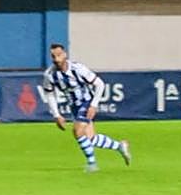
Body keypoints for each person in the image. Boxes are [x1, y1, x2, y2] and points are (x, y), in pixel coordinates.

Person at [41, 44, 131, 172]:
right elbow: (49, 94)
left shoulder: (78, 68)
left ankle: (92, 164)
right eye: (53, 56)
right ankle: (120, 146)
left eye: (59, 55)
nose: (57, 59)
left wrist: (93, 105)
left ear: (65, 55)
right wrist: (56, 115)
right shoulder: (49, 75)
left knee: (77, 131)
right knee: (90, 139)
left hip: (86, 101)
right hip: (74, 106)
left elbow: (100, 84)